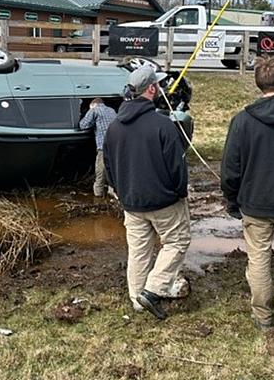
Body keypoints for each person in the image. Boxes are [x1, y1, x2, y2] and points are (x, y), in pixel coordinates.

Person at [222, 56, 274, 330]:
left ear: (259, 84)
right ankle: (264, 317)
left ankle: (263, 317)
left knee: (258, 258)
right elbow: (232, 167)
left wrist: (231, 199)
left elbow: (230, 169)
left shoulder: (242, 121)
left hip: (257, 203)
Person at [104, 66, 191, 320]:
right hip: (164, 201)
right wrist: (180, 193)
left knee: (139, 250)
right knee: (177, 241)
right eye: (159, 85)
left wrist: (121, 193)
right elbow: (177, 167)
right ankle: (153, 290)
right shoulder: (164, 125)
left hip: (131, 202)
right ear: (152, 89)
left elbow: (109, 166)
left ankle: (137, 300)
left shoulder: (114, 128)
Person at [79, 98, 117, 197]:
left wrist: (88, 112)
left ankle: (98, 193)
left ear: (93, 104)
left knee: (100, 170)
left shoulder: (94, 110)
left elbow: (83, 125)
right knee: (112, 169)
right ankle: (112, 190)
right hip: (116, 145)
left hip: (103, 146)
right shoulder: (112, 110)